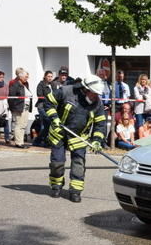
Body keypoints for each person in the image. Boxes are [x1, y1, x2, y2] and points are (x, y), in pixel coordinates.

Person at [41, 74, 108, 203]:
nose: (96, 97)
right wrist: (54, 118)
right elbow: (48, 102)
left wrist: (96, 141)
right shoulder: (66, 91)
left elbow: (100, 124)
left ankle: (75, 191)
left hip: (79, 137)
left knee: (78, 165)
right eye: (94, 93)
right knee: (57, 163)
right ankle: (56, 186)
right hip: (59, 132)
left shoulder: (97, 104)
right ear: (85, 89)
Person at [9, 68, 32, 148]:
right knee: (19, 125)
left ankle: (21, 141)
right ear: (20, 76)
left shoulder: (26, 84)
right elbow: (11, 98)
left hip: (26, 107)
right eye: (25, 76)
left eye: (27, 77)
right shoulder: (14, 84)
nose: (27, 78)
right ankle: (18, 142)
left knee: (24, 124)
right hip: (18, 107)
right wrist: (13, 109)